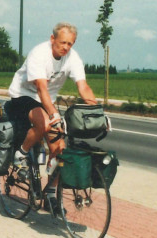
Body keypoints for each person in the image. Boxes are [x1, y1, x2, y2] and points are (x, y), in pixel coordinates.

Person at [7, 22, 97, 209]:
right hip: (24, 95)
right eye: (62, 42)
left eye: (70, 44)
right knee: (46, 124)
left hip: (47, 100)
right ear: (52, 39)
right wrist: (54, 114)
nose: (66, 47)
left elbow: (83, 86)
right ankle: (20, 154)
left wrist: (94, 110)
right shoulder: (39, 54)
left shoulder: (73, 58)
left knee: (59, 149)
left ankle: (49, 194)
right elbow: (41, 88)